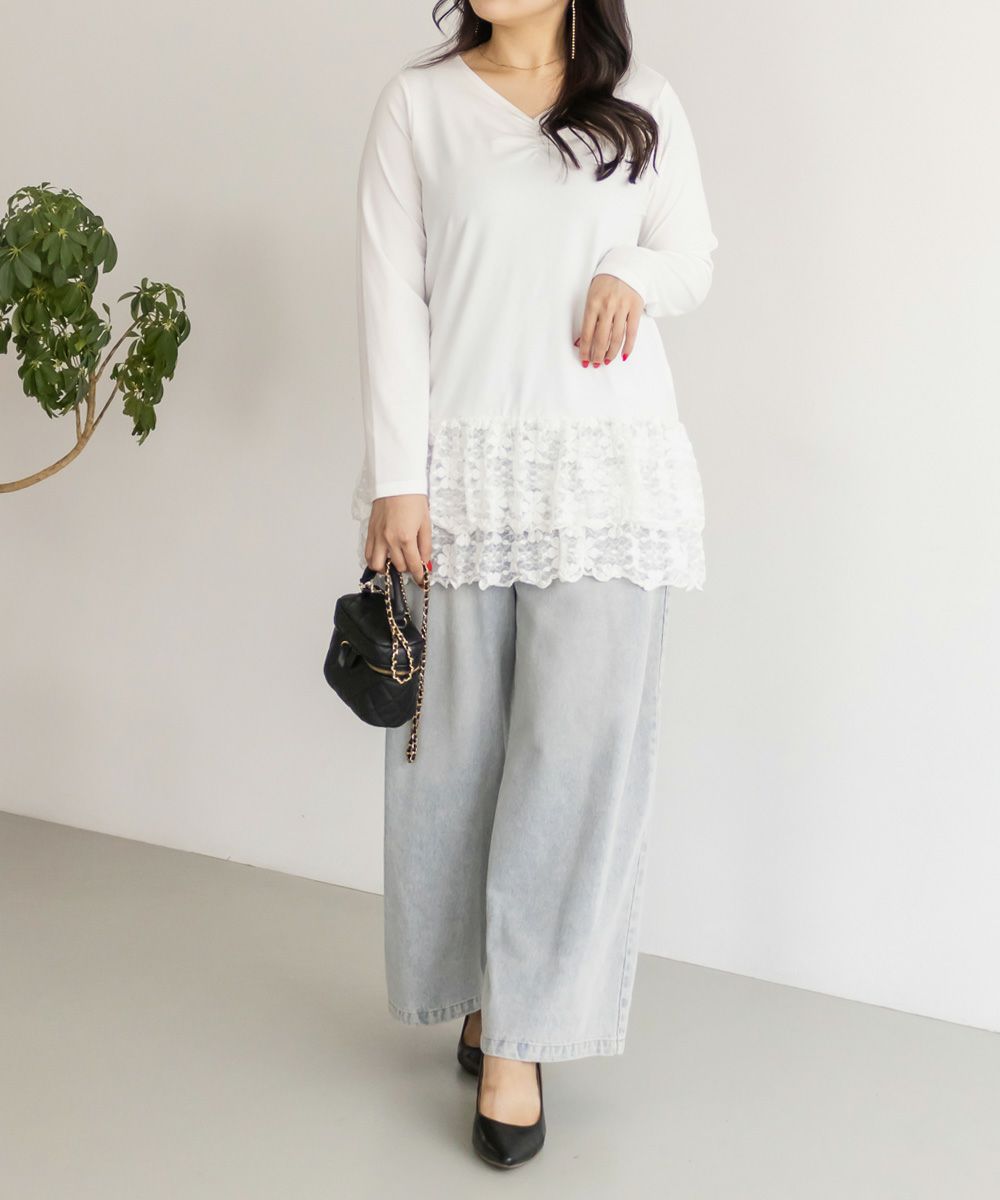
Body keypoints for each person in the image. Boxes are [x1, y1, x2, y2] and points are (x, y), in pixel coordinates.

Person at [349, 0, 717, 1170]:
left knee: (574, 763)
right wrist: (396, 481)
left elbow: (693, 255)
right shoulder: (417, 107)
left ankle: (521, 1042)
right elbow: (390, 301)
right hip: (462, 480)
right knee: (450, 760)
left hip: (606, 483)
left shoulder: (640, 102)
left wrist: (631, 270)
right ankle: (479, 994)